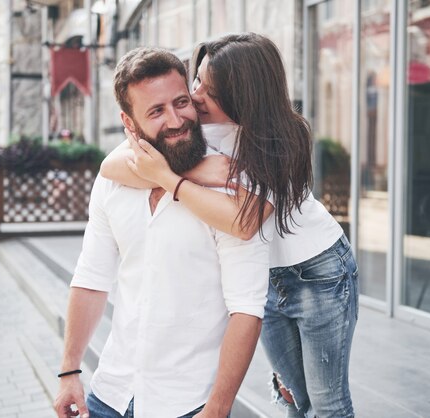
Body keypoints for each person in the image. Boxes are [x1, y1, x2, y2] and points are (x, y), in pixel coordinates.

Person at [100, 33, 359, 418]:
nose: (197, 94)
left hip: (317, 272)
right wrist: (196, 169)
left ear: (244, 94)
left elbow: (243, 222)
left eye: (211, 89)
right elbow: (113, 166)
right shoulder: (198, 125)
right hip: (264, 276)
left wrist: (170, 178)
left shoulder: (282, 139)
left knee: (326, 404)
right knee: (293, 394)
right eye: (198, 79)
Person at [54, 47, 270, 418]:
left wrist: (217, 409)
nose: (176, 119)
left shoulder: (232, 184)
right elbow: (91, 278)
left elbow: (246, 310)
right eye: (156, 111)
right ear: (129, 122)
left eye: (181, 102)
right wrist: (70, 370)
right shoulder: (114, 181)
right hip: (110, 393)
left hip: (188, 403)